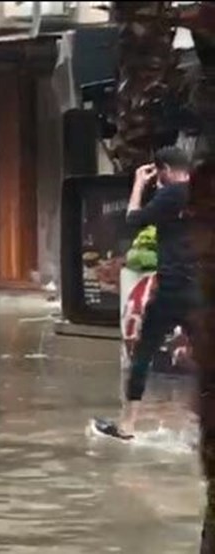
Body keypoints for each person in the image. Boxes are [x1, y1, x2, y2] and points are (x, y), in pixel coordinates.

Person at [105, 146, 199, 439]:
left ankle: (127, 425)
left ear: (166, 170)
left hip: (173, 289)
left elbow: (133, 219)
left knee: (143, 353)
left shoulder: (171, 194)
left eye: (159, 175)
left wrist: (138, 184)